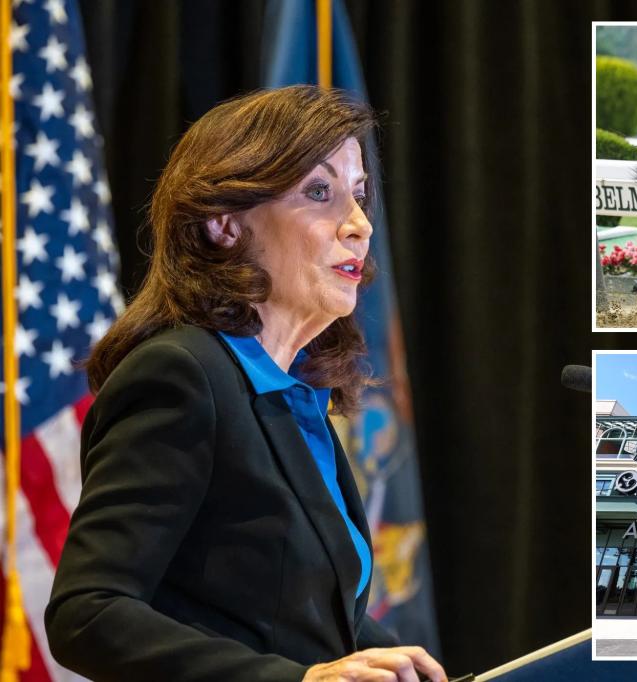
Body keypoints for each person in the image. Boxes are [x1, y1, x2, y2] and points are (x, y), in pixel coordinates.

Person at [45, 86, 447, 682]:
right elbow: (87, 614)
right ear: (224, 224)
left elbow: (295, 616)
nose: (360, 225)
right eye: (319, 192)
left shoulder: (291, 397)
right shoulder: (181, 375)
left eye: (359, 195)